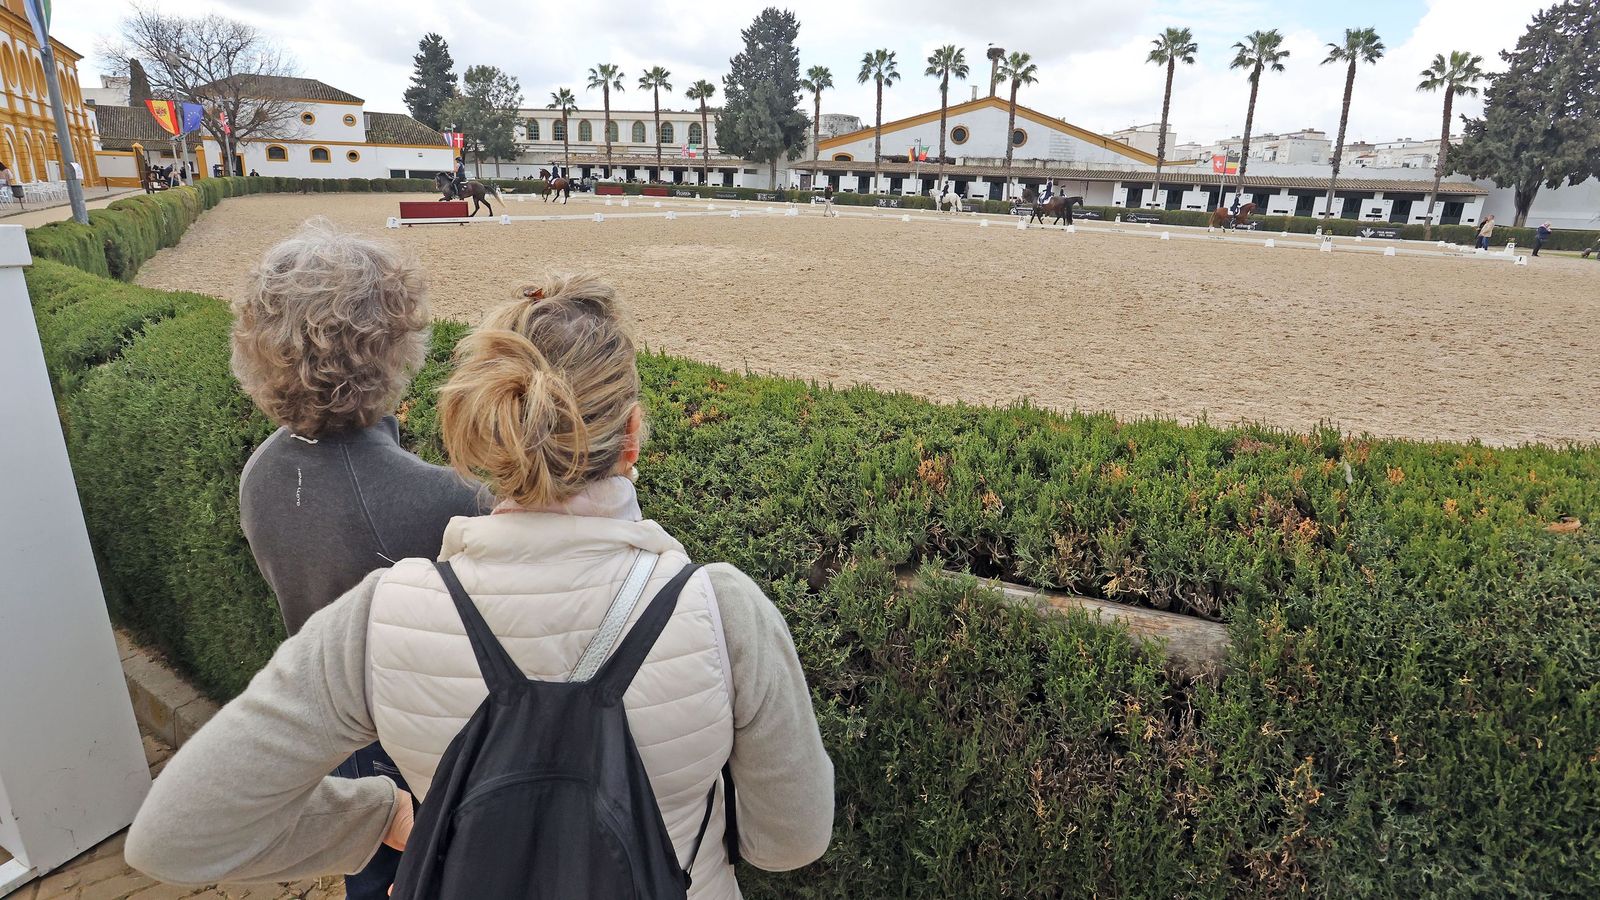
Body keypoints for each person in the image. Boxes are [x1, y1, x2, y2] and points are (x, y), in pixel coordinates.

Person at [126, 272, 835, 897]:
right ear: (631, 435)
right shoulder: (724, 610)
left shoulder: (382, 615)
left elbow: (174, 837)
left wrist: (382, 816)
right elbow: (790, 842)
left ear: (488, 432)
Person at [226, 220, 489, 898]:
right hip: (420, 750)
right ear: (395, 346)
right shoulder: (448, 498)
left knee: (368, 880)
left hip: (331, 727)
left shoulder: (260, 475)